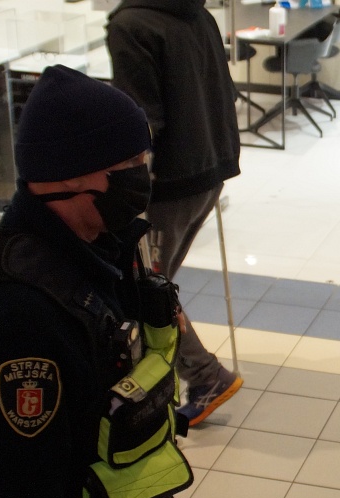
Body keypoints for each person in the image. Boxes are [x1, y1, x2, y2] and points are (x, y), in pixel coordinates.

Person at [0, 65, 193, 498]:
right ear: (71, 173)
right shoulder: (18, 316)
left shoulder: (104, 241)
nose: (143, 173)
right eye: (130, 162)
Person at [106, 0, 243, 427]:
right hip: (210, 167)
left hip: (170, 183)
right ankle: (182, 375)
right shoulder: (197, 12)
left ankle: (203, 376)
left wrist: (126, 191)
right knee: (151, 283)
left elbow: (141, 120)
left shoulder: (131, 24)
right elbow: (225, 92)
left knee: (144, 289)